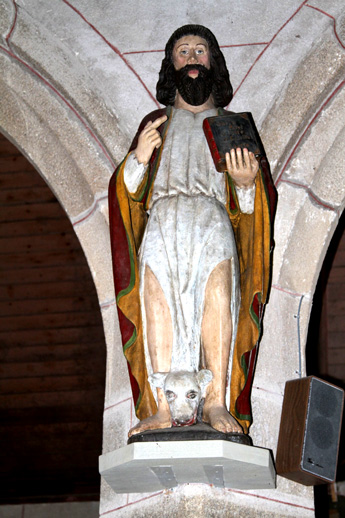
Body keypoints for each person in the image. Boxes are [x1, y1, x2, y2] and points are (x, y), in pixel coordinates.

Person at [109, 25, 276, 438]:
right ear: (172, 65)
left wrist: (243, 183)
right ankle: (164, 407)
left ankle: (216, 399)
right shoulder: (156, 124)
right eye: (183, 52)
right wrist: (139, 160)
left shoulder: (233, 126)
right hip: (163, 221)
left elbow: (257, 209)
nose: (192, 59)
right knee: (156, 302)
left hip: (211, 219)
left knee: (218, 297)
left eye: (200, 51)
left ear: (212, 61)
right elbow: (126, 194)